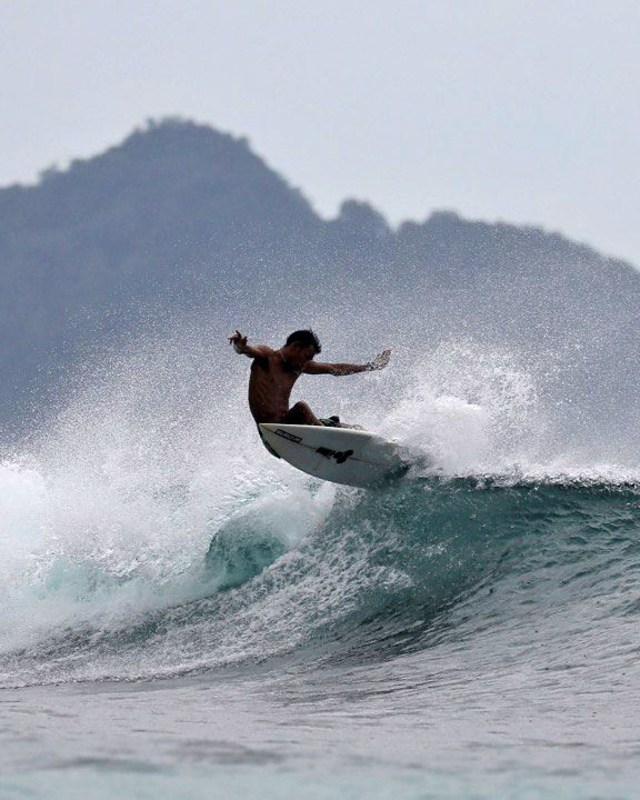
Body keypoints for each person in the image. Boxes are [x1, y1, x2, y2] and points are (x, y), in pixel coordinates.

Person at [229, 328, 391, 454]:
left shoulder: (299, 366)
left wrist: (370, 366)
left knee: (338, 424)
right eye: (307, 356)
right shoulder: (267, 357)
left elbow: (334, 368)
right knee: (301, 408)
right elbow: (248, 350)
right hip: (273, 436)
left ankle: (372, 444)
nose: (308, 362)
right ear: (295, 347)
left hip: (292, 428)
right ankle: (331, 442)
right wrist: (239, 347)